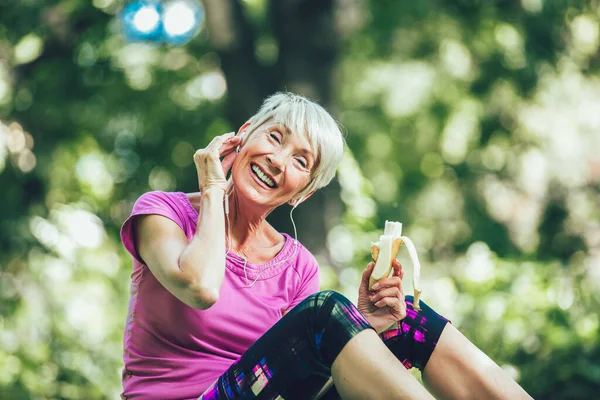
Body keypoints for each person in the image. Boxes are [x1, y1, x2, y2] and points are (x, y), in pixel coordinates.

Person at [120, 92, 532, 400]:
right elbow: (200, 287)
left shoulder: (297, 266)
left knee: (407, 323)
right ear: (242, 137)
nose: (279, 161)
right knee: (323, 313)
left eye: (301, 161)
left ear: (304, 193)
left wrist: (365, 329)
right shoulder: (163, 213)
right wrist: (212, 188)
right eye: (275, 138)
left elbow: (299, 383)